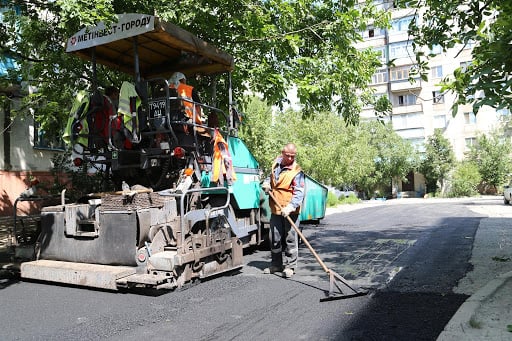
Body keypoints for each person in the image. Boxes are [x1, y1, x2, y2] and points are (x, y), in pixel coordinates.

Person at [262, 143, 305, 278]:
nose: (291, 158)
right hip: (276, 209)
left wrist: (291, 207)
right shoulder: (276, 164)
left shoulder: (297, 172)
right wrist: (267, 183)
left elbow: (299, 193)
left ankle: (290, 266)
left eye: (293, 156)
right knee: (274, 238)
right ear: (282, 153)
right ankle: (276, 264)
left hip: (290, 211)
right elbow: (271, 178)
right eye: (288, 156)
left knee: (291, 239)